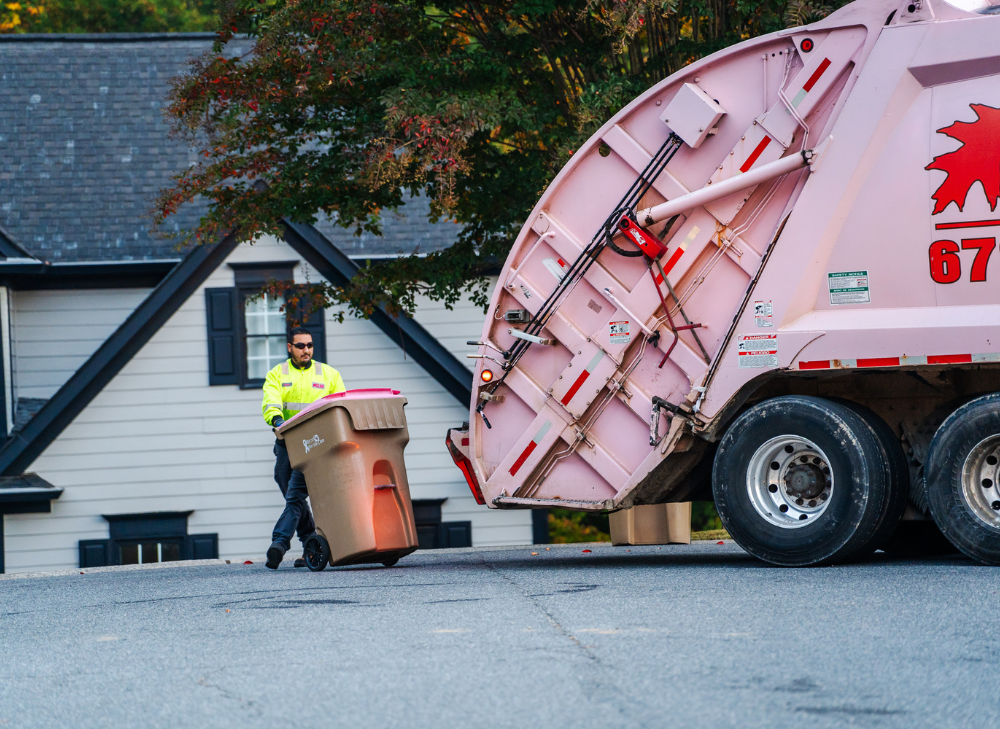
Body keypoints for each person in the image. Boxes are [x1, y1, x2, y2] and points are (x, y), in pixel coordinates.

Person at [262, 327, 346, 569]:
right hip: (287, 443)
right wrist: (277, 421)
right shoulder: (277, 374)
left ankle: (281, 543)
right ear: (290, 347)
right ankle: (310, 544)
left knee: (295, 497)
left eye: (309, 345)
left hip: (315, 445)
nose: (306, 350)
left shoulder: (329, 374)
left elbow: (339, 405)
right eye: (300, 346)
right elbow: (271, 402)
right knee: (293, 495)